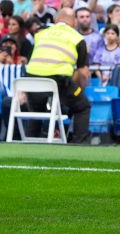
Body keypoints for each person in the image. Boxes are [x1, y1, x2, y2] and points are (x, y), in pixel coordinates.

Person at [24, 8, 91, 144]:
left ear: (56, 20)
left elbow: (31, 60)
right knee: (83, 106)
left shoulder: (40, 34)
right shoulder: (78, 38)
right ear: (74, 21)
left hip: (31, 80)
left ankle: (31, 141)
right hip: (58, 80)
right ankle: (79, 143)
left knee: (37, 109)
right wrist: (80, 89)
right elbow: (83, 71)